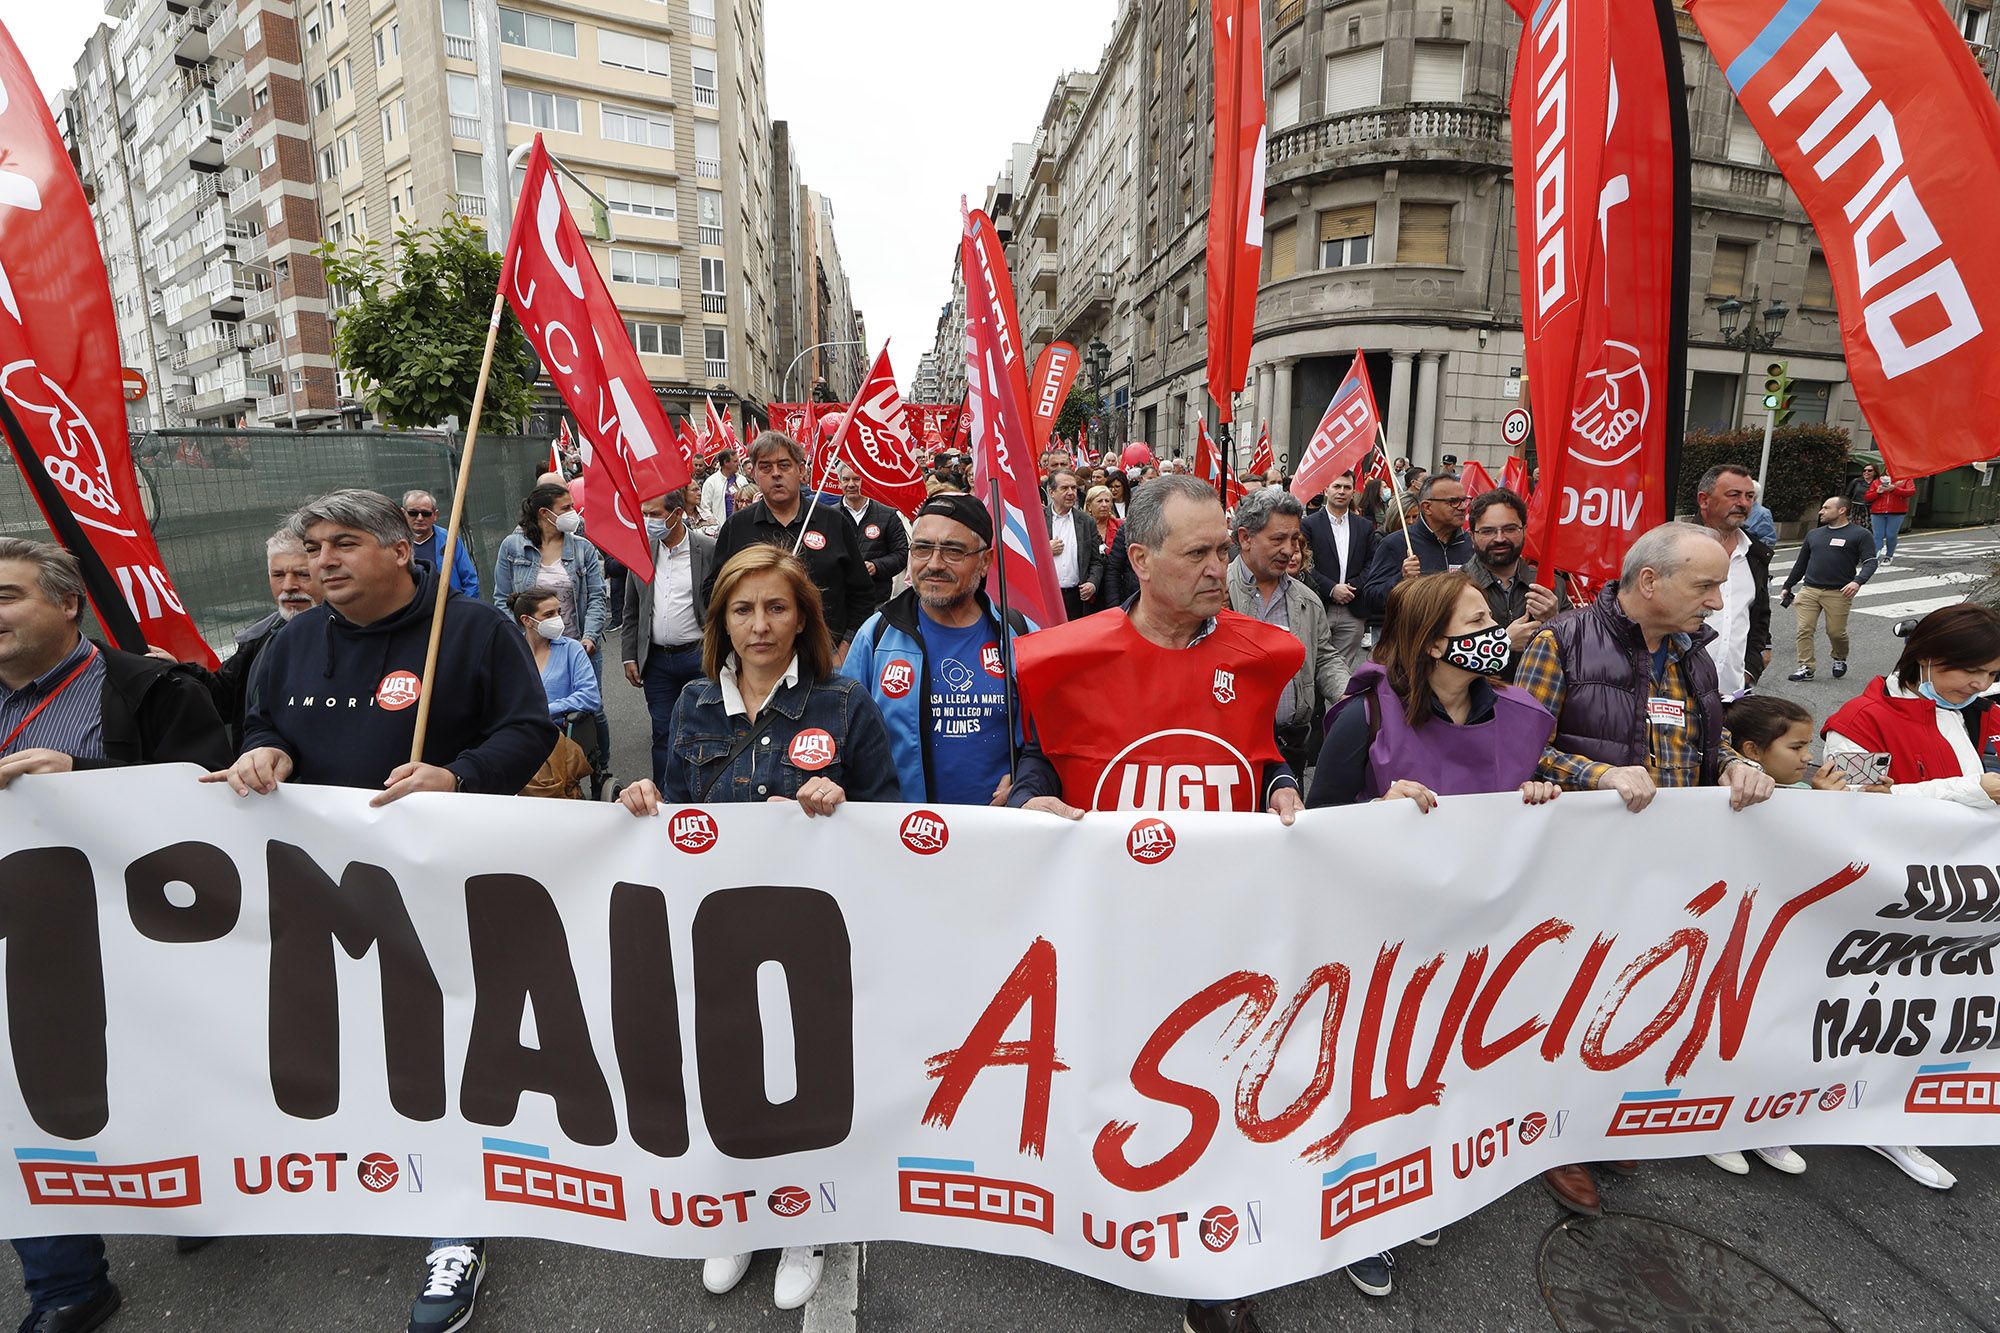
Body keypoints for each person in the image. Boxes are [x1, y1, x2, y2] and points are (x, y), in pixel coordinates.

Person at [203, 489, 555, 1333]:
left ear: (401, 550)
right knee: (359, 1042)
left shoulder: (472, 631)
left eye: (344, 543)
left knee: (447, 1050)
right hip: (326, 895)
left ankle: (458, 1221)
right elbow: (261, 724)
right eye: (313, 545)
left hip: (450, 890)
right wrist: (264, 751)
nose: (322, 559)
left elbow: (529, 730)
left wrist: (458, 774)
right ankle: (372, 1170)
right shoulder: (288, 642)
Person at [617, 546, 895, 1312]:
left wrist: (842, 806)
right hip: (719, 930)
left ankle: (801, 1214)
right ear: (721, 622)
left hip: (814, 929)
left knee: (805, 1071)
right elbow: (677, 813)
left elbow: (893, 817)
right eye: (743, 609)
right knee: (729, 1065)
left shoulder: (845, 705)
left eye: (777, 607)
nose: (760, 624)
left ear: (803, 615)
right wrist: (644, 800)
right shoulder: (697, 706)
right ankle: (738, 1207)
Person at [0, 539, 230, 1333]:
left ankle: (199, 1188)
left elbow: (215, 805)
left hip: (141, 946)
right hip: (19, 948)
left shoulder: (150, 687)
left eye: (5, 595)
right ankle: (66, 1285)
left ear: (67, 603)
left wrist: (87, 783)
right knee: (21, 1101)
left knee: (161, 1079)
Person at [1514, 522, 1775, 1216]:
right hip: (1579, 869)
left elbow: (1703, 741)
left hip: (1666, 870)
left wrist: (1737, 765)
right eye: (1707, 584)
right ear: (1650, 581)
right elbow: (1514, 753)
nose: (1720, 602)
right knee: (1568, 1001)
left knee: (1631, 997)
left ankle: (1599, 1116)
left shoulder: (1694, 655)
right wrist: (1596, 773)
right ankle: (1554, 1135)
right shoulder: (1559, 642)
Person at [1822, 601, 2000, 1190]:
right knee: (1871, 1010)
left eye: (1992, 674)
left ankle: (1901, 1106)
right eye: (1968, 672)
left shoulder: (1982, 712)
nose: (1979, 685)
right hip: (1884, 898)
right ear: (1926, 657)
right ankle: (1839, 1109)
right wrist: (1972, 789)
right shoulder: (1860, 717)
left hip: (1960, 897)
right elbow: (1853, 807)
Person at [1008, 474, 1305, 821]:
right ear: (1141, 560)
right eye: (1197, 553)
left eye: (1223, 551)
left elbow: (1263, 755)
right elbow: (1043, 758)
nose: (1216, 569)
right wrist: (1027, 799)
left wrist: (1281, 785)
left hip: (1221, 870)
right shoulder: (1070, 659)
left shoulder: (1258, 655)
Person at [840, 492, 1029, 804]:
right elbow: (844, 737)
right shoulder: (876, 635)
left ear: (985, 561)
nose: (934, 564)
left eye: (953, 551)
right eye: (923, 548)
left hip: (998, 836)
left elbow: (1049, 742)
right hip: (902, 837)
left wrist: (1026, 779)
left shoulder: (1018, 635)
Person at [708, 431, 874, 662]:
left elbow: (862, 594)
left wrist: (844, 648)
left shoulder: (834, 522)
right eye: (765, 467)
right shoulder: (737, 527)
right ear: (754, 473)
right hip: (759, 662)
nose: (776, 474)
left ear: (801, 470)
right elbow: (714, 594)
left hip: (825, 660)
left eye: (784, 465)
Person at [157, 529, 320, 750]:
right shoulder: (260, 637)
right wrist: (177, 673)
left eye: (303, 574)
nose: (288, 586)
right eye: (278, 575)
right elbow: (224, 698)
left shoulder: (352, 636)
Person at [492, 481, 610, 778]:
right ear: (545, 514)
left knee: (590, 712)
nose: (574, 513)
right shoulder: (512, 547)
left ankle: (597, 768)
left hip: (577, 643)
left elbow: (596, 597)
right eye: (567, 508)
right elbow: (501, 598)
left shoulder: (582, 549)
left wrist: (589, 637)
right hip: (531, 647)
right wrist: (522, 639)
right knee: (532, 710)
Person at [1228, 487, 1347, 775]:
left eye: (1294, 539)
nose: (1289, 550)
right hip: (1231, 743)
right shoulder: (1215, 591)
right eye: (1277, 539)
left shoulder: (1307, 600)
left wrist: (1348, 694)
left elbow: (1324, 658)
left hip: (1290, 745)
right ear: (1245, 538)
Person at [621, 489, 715, 788]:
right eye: (645, 515)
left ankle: (705, 792)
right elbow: (631, 608)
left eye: (655, 515)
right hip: (657, 661)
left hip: (698, 655)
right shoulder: (641, 550)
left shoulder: (708, 549)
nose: (648, 521)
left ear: (676, 515)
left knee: (705, 730)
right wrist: (629, 654)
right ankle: (664, 797)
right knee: (663, 732)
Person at [1464, 488, 1565, 684]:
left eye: (1510, 529)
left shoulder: (1552, 585)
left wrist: (1556, 622)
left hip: (1538, 704)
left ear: (1524, 530)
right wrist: (1502, 643)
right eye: (1488, 531)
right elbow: (1437, 659)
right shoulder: (1453, 589)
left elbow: (1578, 654)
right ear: (1472, 535)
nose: (1500, 538)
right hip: (1478, 707)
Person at [509, 587, 600, 798]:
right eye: (549, 615)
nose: (558, 619)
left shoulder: (571, 649)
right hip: (517, 734)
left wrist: (546, 710)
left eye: (558, 612)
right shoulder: (512, 654)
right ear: (527, 620)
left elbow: (590, 696)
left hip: (555, 735)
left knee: (534, 776)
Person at [1693, 464, 1772, 697]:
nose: (1743, 503)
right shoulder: (1675, 546)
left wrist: (1750, 669)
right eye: (1733, 495)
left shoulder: (1755, 553)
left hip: (1732, 692)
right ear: (1704, 500)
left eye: (1749, 496)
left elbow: (1758, 617)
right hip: (1677, 690)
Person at [1782, 495, 1878, 682]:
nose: (1821, 511)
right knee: (1804, 629)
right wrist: (1788, 585)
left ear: (1841, 510)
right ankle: (1806, 667)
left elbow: (1870, 562)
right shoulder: (1814, 534)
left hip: (1838, 592)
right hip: (1809, 590)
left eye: (1826, 508)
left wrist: (1857, 581)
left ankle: (1839, 657)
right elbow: (1801, 564)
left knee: (1835, 632)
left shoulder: (1860, 534)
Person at [1361, 473, 1472, 616]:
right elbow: (1372, 598)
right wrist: (1401, 579)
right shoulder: (1396, 543)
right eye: (1453, 501)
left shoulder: (1469, 543)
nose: (1463, 507)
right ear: (1427, 507)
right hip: (1414, 635)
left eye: (1465, 500)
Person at [1300, 471, 1376, 669]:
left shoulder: (1365, 526)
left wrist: (1351, 588)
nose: (1341, 491)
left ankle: (1337, 702)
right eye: (1337, 486)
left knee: (1341, 671)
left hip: (1353, 609)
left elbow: (1371, 562)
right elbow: (1305, 562)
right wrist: (1332, 589)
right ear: (1326, 490)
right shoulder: (1308, 524)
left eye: (1347, 487)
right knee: (1312, 665)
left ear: (1353, 492)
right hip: (1319, 605)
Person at [835, 463, 910, 613]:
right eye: (846, 479)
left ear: (867, 480)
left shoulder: (888, 514)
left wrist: (876, 566)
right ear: (839, 482)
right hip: (841, 601)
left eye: (857, 479)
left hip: (877, 601)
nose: (851, 484)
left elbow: (902, 554)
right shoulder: (831, 516)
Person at [1044, 467, 1104, 620]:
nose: (1071, 492)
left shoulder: (1086, 522)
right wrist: (1044, 550)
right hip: (1047, 598)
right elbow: (1025, 558)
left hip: (1077, 599)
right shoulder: (1037, 520)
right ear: (1051, 492)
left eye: (1073, 488)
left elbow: (1096, 562)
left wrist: (1092, 583)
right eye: (1064, 488)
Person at [401, 489, 479, 598]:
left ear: (435, 515)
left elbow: (470, 581)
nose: (420, 518)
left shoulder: (450, 541)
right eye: (413, 513)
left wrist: (464, 610)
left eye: (426, 513)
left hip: (450, 609)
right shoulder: (394, 544)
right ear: (403, 513)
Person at [1863, 466, 1917, 566]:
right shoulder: (1877, 481)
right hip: (1878, 511)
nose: (1890, 471)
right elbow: (1867, 497)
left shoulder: (1905, 479)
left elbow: (1911, 491)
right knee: (1877, 536)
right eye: (1888, 469)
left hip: (1896, 511)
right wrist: (1877, 492)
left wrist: (1894, 489)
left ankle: (1889, 555)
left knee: (1891, 535)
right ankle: (1876, 556)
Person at [701, 447, 744, 522]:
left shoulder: (742, 480)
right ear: (726, 463)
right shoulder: (711, 482)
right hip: (721, 529)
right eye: (735, 461)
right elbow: (705, 508)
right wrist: (715, 525)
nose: (738, 463)